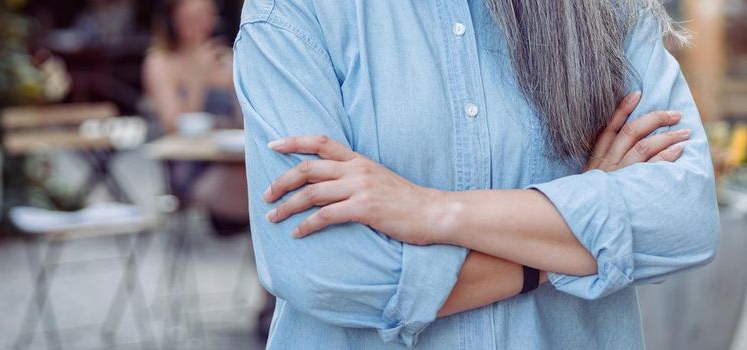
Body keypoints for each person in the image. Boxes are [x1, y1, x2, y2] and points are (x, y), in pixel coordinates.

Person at [236, 0, 720, 348]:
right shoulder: (297, 12)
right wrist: (560, 246)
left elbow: (682, 219)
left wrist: (432, 211)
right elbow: (326, 273)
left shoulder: (608, 11)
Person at [143, 0, 248, 228]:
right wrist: (198, 80)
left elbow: (244, 123)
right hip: (191, 168)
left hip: (232, 160)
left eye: (207, 16)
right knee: (265, 189)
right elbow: (174, 127)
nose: (201, 26)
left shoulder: (224, 58)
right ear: (172, 21)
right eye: (192, 19)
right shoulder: (160, 62)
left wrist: (235, 82)